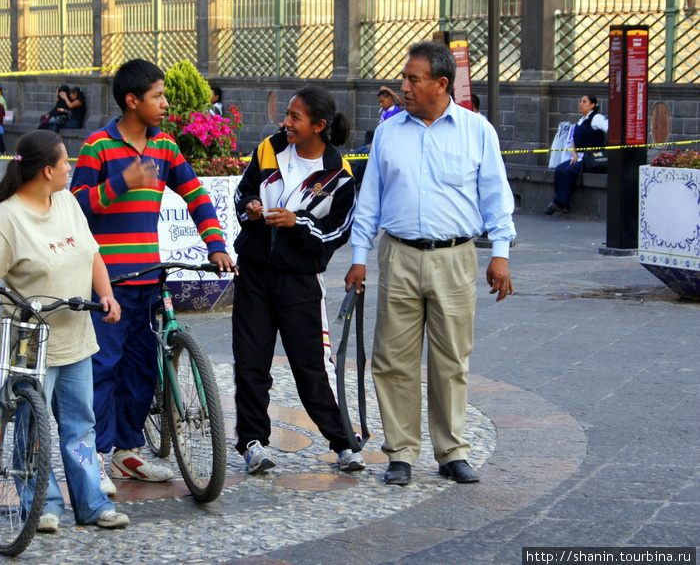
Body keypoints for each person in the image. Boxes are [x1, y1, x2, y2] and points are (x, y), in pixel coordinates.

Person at [345, 41, 516, 487]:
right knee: (392, 360)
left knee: (450, 360)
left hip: (455, 257)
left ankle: (452, 452)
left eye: (412, 79)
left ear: (442, 84)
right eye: (404, 77)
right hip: (398, 255)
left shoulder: (477, 130)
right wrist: (359, 259)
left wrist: (501, 253)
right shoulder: (388, 132)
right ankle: (400, 453)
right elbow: (370, 201)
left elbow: (497, 195)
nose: (403, 86)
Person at [69, 58, 235, 493]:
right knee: (102, 369)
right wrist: (121, 181)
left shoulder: (165, 146)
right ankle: (95, 457)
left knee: (141, 370)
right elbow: (75, 207)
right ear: (132, 100)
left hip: (150, 279)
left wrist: (216, 245)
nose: (165, 104)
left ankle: (126, 451)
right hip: (107, 284)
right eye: (158, 96)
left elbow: (196, 194)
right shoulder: (97, 147)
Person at [0, 129, 130, 533]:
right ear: (47, 170)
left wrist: (106, 295)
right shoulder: (9, 216)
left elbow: (92, 254)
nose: (71, 167)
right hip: (28, 341)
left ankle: (91, 503)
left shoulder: (67, 202)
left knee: (80, 425)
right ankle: (43, 503)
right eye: (66, 162)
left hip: (75, 334)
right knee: (30, 427)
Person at [232, 86, 365, 475]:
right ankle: (253, 444)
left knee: (313, 367)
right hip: (255, 273)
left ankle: (343, 442)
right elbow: (242, 193)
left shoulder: (339, 174)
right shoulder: (268, 149)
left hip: (301, 281)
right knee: (250, 364)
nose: (285, 123)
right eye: (286, 115)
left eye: (294, 117)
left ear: (318, 126)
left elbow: (337, 230)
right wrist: (252, 210)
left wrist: (297, 223)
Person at [544, 94, 608, 215]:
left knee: (569, 171)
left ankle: (560, 202)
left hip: (591, 158)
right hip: (578, 157)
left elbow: (609, 128)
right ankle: (560, 202)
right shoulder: (580, 122)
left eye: (584, 102)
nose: (581, 104)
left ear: (592, 105)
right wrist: (574, 154)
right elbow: (573, 141)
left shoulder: (596, 118)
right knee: (559, 169)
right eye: (580, 101)